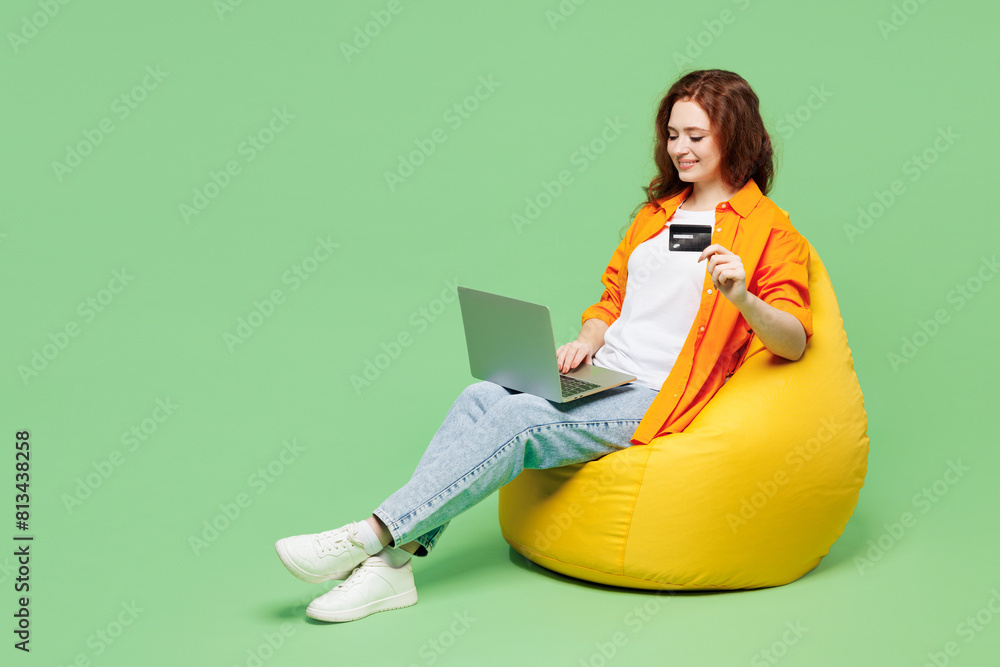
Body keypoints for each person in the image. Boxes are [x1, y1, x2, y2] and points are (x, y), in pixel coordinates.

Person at [274, 69, 813, 623]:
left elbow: (793, 341)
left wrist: (744, 298)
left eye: (695, 136)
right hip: (608, 372)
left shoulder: (770, 231)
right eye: (672, 134)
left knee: (524, 418)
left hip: (661, 395)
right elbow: (614, 298)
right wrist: (584, 342)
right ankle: (393, 568)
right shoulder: (658, 214)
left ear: (735, 135)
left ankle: (370, 535)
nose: (680, 148)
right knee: (480, 397)